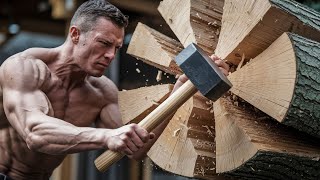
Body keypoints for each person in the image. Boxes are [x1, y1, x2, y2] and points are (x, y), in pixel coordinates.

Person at [0, 0, 230, 179]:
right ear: (75, 34)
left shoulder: (101, 92)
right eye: (104, 43)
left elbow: (135, 149)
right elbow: (35, 133)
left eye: (117, 47)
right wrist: (107, 136)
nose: (111, 55)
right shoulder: (24, 68)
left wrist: (178, 94)